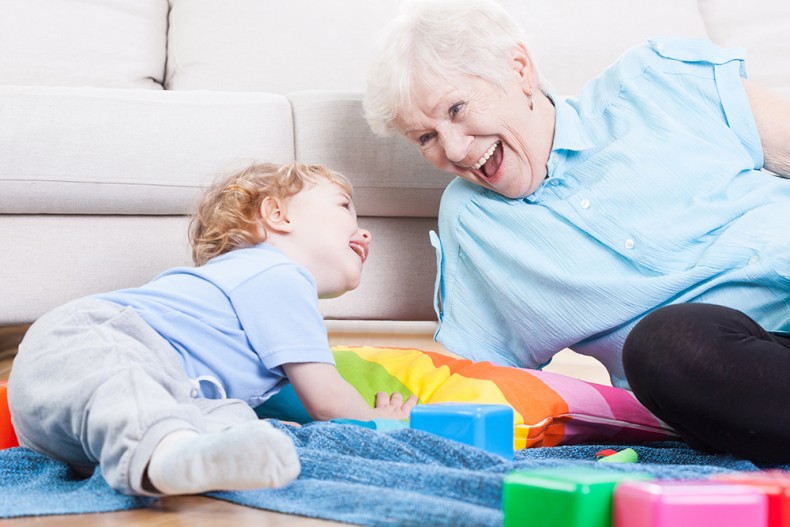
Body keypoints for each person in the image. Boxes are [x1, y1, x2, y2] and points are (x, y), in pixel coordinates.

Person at [364, 0, 790, 462]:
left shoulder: (656, 83)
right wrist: (409, 423)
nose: (454, 149)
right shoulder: (476, 224)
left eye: (457, 108)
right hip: (729, 373)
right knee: (664, 346)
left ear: (519, 69)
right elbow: (481, 377)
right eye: (425, 137)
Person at [7, 161, 418, 497]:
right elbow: (326, 399)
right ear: (277, 215)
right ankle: (168, 454)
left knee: (235, 419)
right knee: (126, 378)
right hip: (88, 342)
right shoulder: (278, 271)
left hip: (83, 434)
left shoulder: (257, 298)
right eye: (344, 206)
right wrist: (377, 424)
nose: (364, 230)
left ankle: (182, 459)